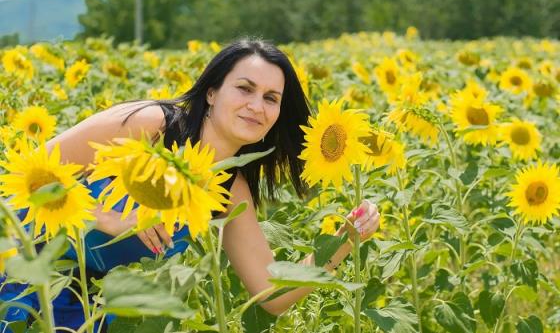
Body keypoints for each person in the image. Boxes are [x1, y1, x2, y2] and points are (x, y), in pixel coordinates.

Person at [0, 38, 380, 331]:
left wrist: (343, 241)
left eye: (270, 98)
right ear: (212, 92)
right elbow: (29, 173)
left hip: (98, 314)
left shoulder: (229, 188)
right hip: (25, 275)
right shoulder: (151, 126)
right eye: (244, 89)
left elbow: (271, 294)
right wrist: (110, 219)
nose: (256, 106)